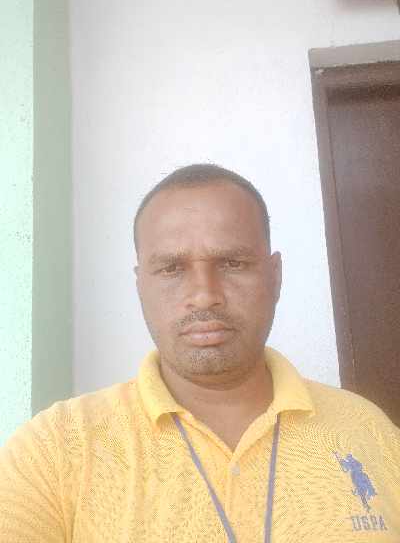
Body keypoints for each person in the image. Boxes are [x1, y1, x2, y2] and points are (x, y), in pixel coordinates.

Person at [0, 164, 399, 542]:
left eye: (233, 263)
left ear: (275, 277)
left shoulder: (372, 433)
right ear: (141, 286)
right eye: (172, 269)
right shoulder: (54, 448)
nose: (205, 295)